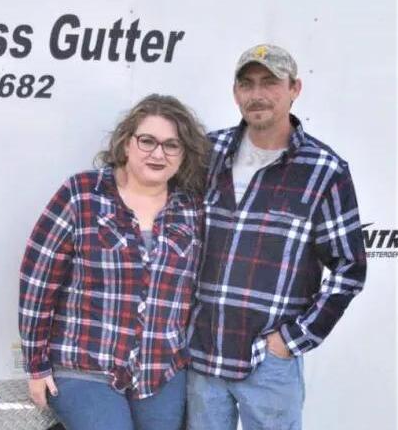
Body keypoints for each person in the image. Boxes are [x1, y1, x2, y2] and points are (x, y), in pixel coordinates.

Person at [187, 44, 367, 430]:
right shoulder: (207, 153)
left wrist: (292, 340)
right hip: (201, 356)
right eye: (247, 84)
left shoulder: (323, 170)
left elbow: (349, 268)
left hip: (267, 363)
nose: (257, 94)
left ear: (294, 88)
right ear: (235, 92)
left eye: (270, 82)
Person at [18, 94, 209, 430]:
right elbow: (38, 281)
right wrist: (36, 365)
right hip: (86, 367)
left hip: (161, 372)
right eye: (147, 141)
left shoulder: (191, 209)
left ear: (183, 154)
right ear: (126, 143)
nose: (158, 154)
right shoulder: (82, 194)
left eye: (171, 145)